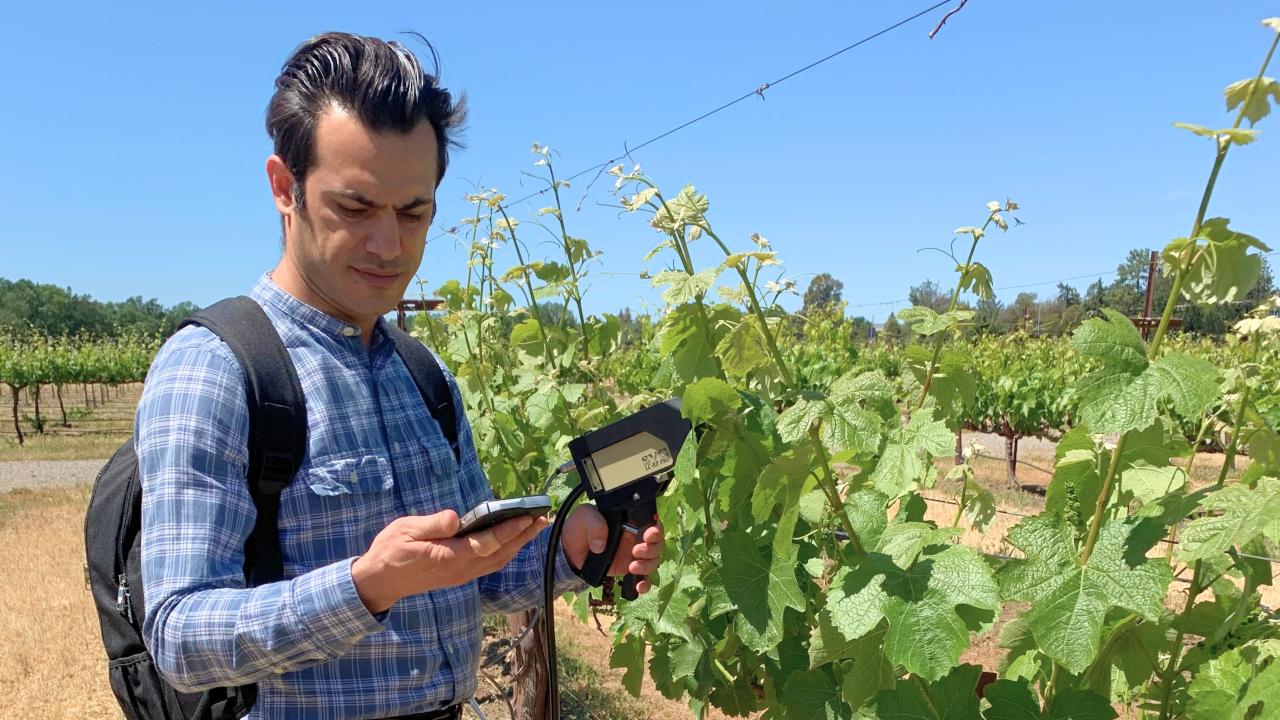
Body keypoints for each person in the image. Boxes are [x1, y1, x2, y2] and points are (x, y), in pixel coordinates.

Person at [135, 31, 664, 720]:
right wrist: (364, 588)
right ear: (282, 188)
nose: (389, 246)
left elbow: (469, 575)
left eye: (414, 213)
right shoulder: (216, 369)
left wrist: (571, 548)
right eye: (353, 208)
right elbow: (179, 637)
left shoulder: (424, 375)